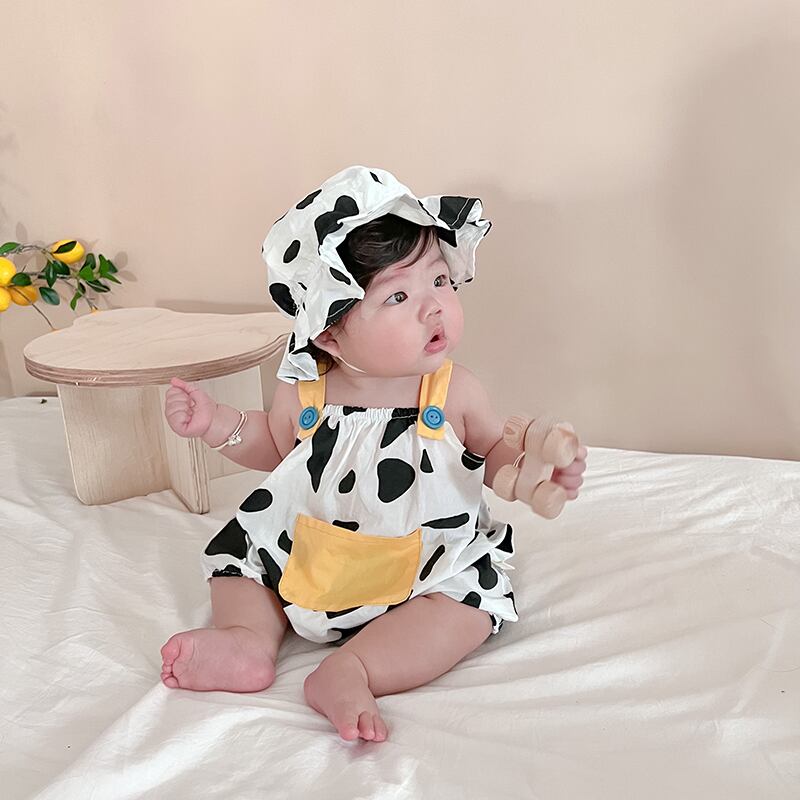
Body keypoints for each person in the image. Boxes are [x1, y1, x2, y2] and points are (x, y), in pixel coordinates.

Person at [159, 165, 587, 743]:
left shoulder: (452, 392)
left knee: (469, 602)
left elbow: (491, 451)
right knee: (241, 562)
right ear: (328, 332)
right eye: (399, 296)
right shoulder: (304, 393)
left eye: (441, 281)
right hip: (308, 546)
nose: (434, 307)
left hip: (423, 561)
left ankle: (354, 668)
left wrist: (535, 470)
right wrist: (217, 425)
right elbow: (276, 448)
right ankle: (248, 640)